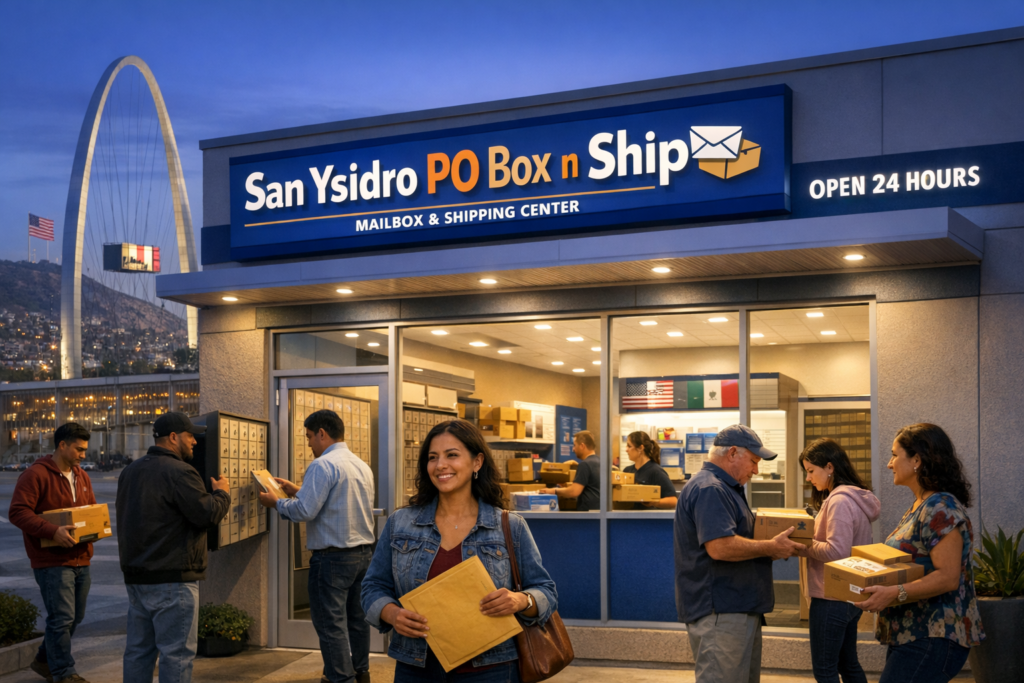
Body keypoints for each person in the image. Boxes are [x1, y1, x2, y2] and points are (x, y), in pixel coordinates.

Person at [361, 419, 558, 682]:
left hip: (493, 670)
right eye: (433, 457)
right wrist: (392, 613)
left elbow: (546, 591)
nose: (440, 465)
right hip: (416, 668)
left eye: (452, 455)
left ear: (477, 462)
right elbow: (372, 586)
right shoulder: (401, 523)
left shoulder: (509, 526)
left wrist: (521, 600)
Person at [674, 424, 805, 683]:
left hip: (736, 607)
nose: (756, 471)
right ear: (732, 453)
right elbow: (720, 547)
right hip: (721, 612)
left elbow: (736, 541)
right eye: (754, 462)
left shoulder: (725, 488)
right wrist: (770, 547)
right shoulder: (710, 489)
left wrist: (770, 548)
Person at [854, 424, 984, 683]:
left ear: (916, 460)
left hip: (933, 634)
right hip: (914, 633)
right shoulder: (921, 505)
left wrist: (894, 592)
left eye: (894, 455)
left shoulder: (940, 507)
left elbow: (948, 577)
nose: (889, 464)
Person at [258, 409, 375, 683]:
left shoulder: (322, 465)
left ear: (322, 433)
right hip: (362, 556)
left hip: (332, 560)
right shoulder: (360, 464)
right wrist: (298, 490)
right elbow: (335, 501)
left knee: (330, 624)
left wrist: (275, 503)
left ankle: (340, 678)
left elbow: (304, 511)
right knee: (357, 621)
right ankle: (360, 673)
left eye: (310, 436)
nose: (309, 443)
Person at [116, 412, 230, 683]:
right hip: (173, 579)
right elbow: (206, 515)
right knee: (176, 655)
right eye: (191, 436)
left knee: (138, 653)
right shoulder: (180, 472)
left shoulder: (129, 471)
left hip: (137, 578)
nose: (195, 442)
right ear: (173, 437)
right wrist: (222, 493)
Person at [8, 423, 97, 683]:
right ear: (62, 445)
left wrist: (95, 528)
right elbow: (18, 512)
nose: (83, 455)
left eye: (84, 449)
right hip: (52, 561)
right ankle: (63, 673)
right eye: (78, 449)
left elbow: (90, 509)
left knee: (74, 617)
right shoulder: (35, 474)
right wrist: (52, 531)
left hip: (81, 558)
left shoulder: (82, 476)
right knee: (62, 618)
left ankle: (43, 660)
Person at [796, 438, 880, 683]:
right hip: (847, 595)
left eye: (811, 471)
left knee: (825, 670)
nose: (808, 478)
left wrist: (803, 544)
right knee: (848, 664)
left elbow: (837, 552)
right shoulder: (852, 497)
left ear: (830, 467)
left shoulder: (839, 501)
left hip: (831, 597)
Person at [539, 429, 600, 511]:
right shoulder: (600, 462)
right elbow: (591, 487)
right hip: (598, 512)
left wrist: (553, 491)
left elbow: (574, 492)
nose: (573, 449)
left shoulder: (585, 464)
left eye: (575, 445)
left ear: (582, 446)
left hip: (587, 514)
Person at [623, 431, 678, 509]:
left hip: (647, 516)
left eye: (629, 446)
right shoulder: (627, 471)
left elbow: (673, 501)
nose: (626, 450)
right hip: (626, 516)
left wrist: (653, 502)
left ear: (640, 448)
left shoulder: (656, 471)